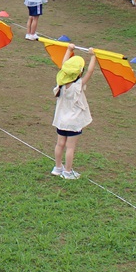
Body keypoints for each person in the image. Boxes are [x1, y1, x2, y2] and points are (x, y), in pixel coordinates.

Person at [52, 46, 96, 180]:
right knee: (70, 147)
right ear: (79, 73)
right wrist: (93, 56)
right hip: (73, 123)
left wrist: (69, 50)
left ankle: (57, 168)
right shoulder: (78, 85)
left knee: (60, 144)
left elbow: (64, 65)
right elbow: (90, 71)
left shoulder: (60, 84)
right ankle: (67, 171)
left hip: (61, 121)